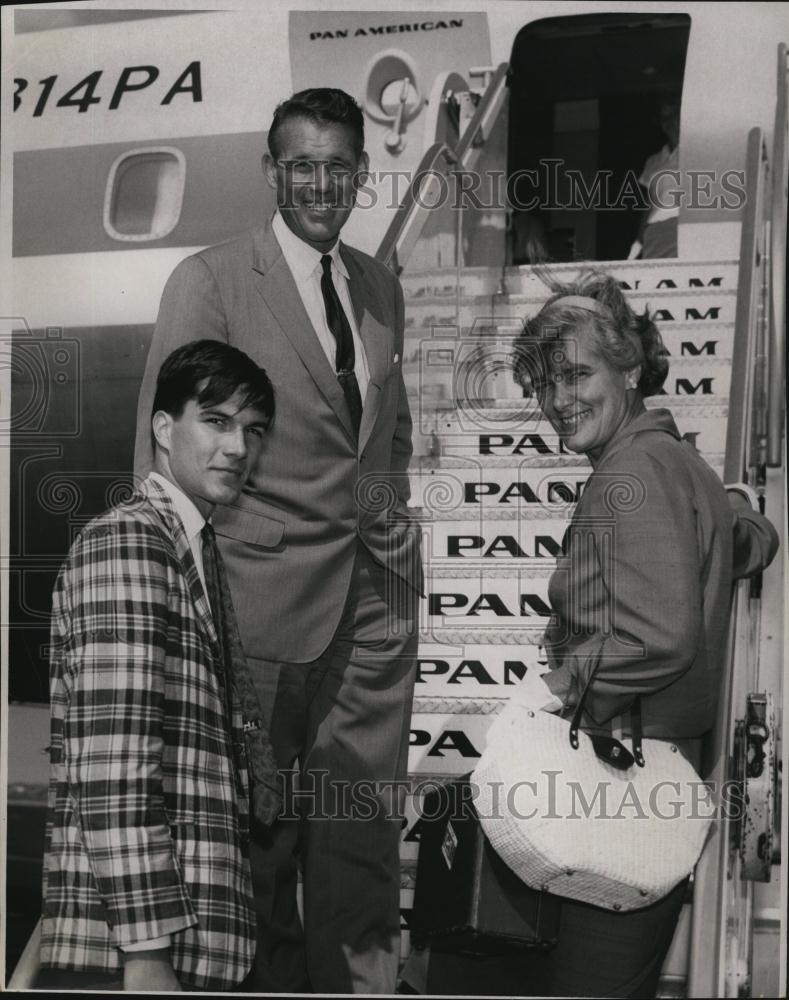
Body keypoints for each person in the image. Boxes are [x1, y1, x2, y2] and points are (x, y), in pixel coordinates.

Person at [415, 272, 778, 998]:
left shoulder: (633, 471)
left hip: (615, 792)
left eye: (577, 374)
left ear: (631, 368)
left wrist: (549, 690)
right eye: (545, 384)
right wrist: (739, 513)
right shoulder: (672, 463)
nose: (558, 400)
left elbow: (654, 636)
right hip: (650, 793)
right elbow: (748, 542)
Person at [133, 88, 421, 994]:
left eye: (339, 166)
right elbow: (166, 453)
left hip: (370, 614)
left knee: (361, 840)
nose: (321, 183)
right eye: (302, 164)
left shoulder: (379, 286)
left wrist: (393, 524)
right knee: (252, 847)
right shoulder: (212, 280)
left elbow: (387, 429)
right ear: (272, 171)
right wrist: (169, 604)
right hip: (253, 610)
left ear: (360, 176)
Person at [38, 340, 276, 992]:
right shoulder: (132, 542)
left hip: (194, 943)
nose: (237, 448)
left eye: (252, 431)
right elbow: (113, 764)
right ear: (164, 428)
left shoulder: (193, 549)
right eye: (217, 421)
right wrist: (146, 954)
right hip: (145, 956)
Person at [629, 98, 682, 260]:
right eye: (664, 118)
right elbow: (649, 203)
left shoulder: (695, 153)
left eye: (673, 116)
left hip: (680, 225)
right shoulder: (653, 161)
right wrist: (638, 240)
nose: (668, 122)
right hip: (654, 230)